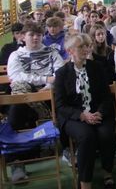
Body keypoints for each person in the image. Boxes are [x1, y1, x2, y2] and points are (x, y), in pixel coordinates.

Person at [54, 33, 116, 189]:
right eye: (81, 46)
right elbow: (60, 105)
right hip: (74, 117)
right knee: (87, 136)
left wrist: (100, 113)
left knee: (107, 134)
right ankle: (85, 182)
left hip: (98, 112)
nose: (86, 49)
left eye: (88, 46)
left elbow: (107, 97)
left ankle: (107, 172)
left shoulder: (97, 68)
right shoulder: (62, 73)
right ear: (70, 51)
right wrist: (82, 115)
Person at [6, 21, 65, 181]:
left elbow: (61, 72)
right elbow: (17, 77)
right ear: (23, 37)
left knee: (66, 102)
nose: (35, 38)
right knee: (16, 110)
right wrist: (46, 78)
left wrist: (48, 86)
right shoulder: (16, 55)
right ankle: (17, 163)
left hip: (49, 95)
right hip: (25, 99)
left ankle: (69, 150)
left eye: (38, 35)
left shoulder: (52, 52)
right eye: (31, 35)